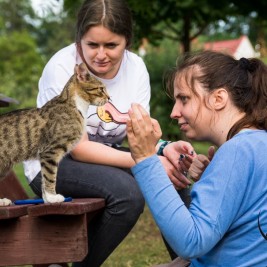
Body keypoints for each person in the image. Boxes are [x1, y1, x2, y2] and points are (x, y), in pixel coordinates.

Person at [23, 0, 194, 266]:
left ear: (127, 41)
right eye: (92, 45)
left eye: (111, 45)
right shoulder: (61, 68)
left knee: (173, 171)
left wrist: (161, 149)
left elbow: (136, 132)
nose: (100, 54)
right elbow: (78, 148)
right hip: (55, 162)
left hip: (105, 158)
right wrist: (147, 162)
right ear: (80, 39)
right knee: (128, 194)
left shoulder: (135, 67)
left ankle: (190, 261)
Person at [126, 50, 267, 266]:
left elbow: (191, 242)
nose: (174, 112)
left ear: (218, 99)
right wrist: (212, 182)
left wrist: (146, 158)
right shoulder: (257, 143)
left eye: (184, 99)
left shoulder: (239, 150)